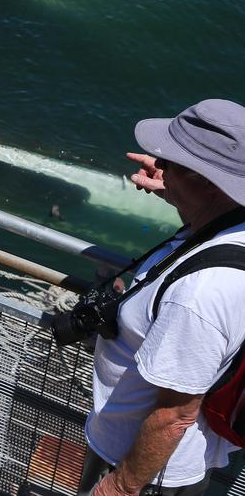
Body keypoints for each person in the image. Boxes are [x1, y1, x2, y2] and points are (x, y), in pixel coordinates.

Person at [81, 99, 245, 496]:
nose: (159, 168)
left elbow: (175, 414)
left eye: (169, 164)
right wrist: (179, 191)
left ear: (206, 181)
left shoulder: (200, 293)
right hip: (137, 457)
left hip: (145, 472)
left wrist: (119, 486)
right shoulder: (228, 227)